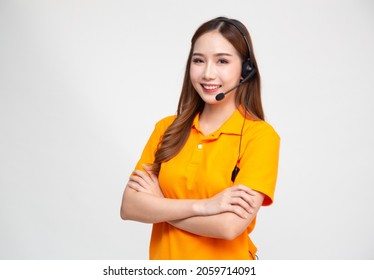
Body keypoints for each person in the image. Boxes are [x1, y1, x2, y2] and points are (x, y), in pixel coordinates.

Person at [120, 16, 280, 260]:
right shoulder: (166, 129)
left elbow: (228, 227)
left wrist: (159, 205)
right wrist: (204, 206)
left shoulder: (260, 137)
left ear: (244, 70)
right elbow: (130, 207)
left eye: (222, 61)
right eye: (198, 60)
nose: (207, 73)